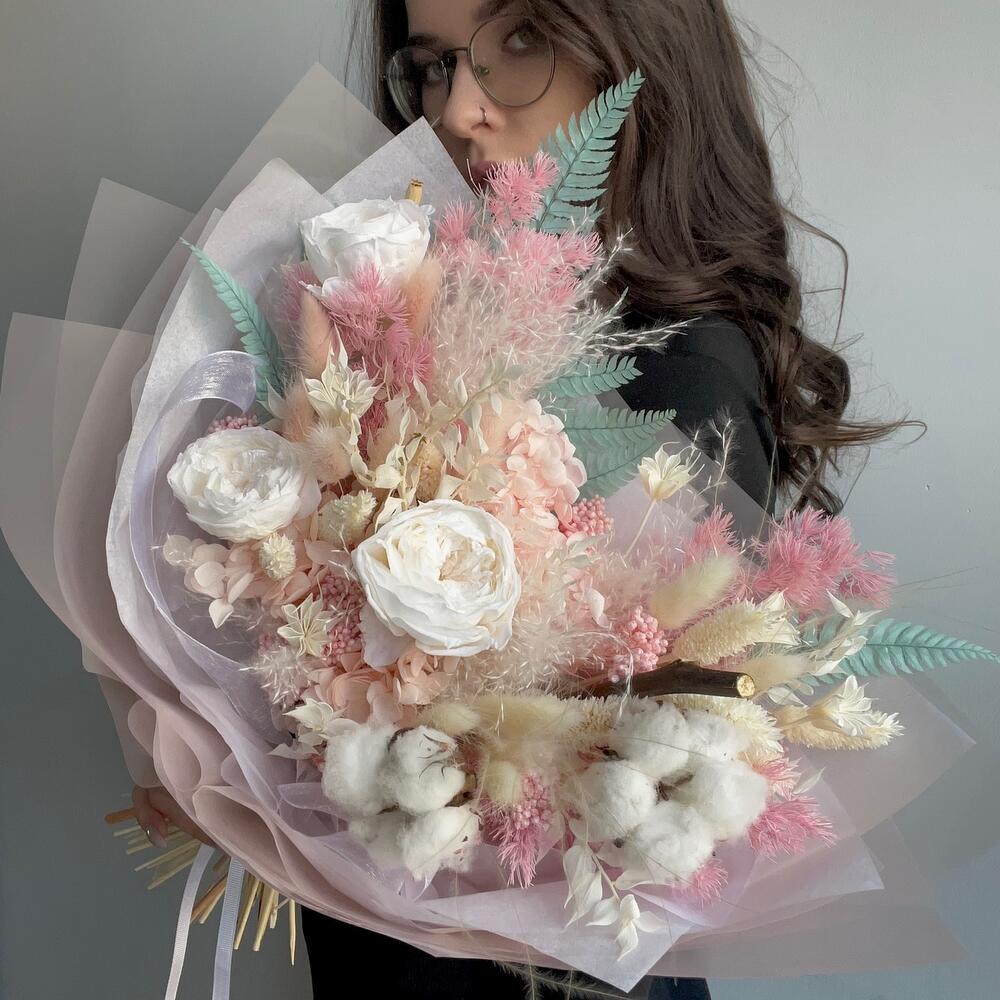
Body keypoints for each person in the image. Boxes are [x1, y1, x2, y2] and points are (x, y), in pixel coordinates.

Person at [134, 0, 906, 995]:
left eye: (522, 41)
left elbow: (590, 780)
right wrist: (221, 738)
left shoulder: (683, 372)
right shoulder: (428, 319)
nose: (460, 108)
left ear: (639, 51)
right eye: (432, 64)